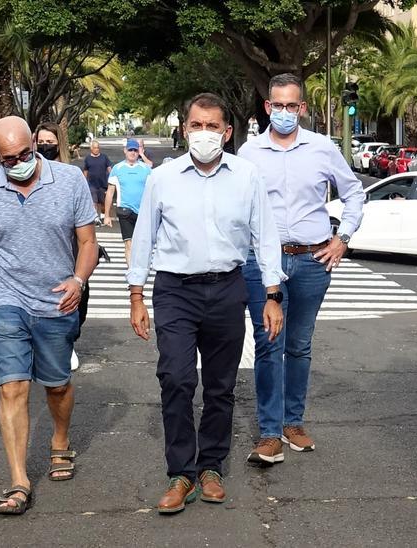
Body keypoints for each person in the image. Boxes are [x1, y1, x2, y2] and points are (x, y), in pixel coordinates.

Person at [128, 93, 285, 514]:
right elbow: (144, 236)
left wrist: (272, 296)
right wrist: (136, 295)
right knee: (176, 379)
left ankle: (211, 467)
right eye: (196, 125)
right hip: (175, 290)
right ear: (184, 129)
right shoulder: (163, 177)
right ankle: (181, 473)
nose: (203, 134)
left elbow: (265, 236)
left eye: (212, 126)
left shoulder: (247, 176)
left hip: (228, 289)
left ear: (227, 132)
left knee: (220, 385)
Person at [0, 116, 99, 516]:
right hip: (7, 301)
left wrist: (78, 281)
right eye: (10, 158)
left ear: (35, 145)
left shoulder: (69, 180)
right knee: (11, 388)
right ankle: (19, 479)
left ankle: (60, 440)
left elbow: (88, 241)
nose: (20, 162)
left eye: (26, 153)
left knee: (57, 386)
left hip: (56, 300)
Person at [236, 73, 364, 466]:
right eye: (278, 105)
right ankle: (270, 432)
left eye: (293, 105)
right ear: (267, 107)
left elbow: (354, 191)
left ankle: (293, 422)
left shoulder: (322, 148)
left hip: (312, 259)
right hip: (263, 263)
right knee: (268, 344)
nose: (285, 112)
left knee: (299, 345)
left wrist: (342, 238)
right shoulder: (249, 153)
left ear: (303, 108)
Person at [35, 122, 98, 372]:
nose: (45, 147)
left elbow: (86, 230)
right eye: (41, 142)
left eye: (50, 143)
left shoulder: (70, 176)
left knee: (77, 296)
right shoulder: (28, 175)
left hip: (72, 247)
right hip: (43, 247)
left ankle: (68, 340)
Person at [103, 138, 152, 268]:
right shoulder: (117, 169)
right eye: (130, 150)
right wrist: (107, 215)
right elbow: (110, 192)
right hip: (124, 211)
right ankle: (132, 273)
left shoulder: (146, 169)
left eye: (135, 150)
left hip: (142, 212)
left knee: (141, 243)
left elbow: (154, 191)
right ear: (125, 151)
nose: (133, 152)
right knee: (129, 243)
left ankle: (140, 268)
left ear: (139, 151)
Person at [82, 141, 112, 222]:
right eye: (95, 148)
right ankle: (96, 219)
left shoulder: (104, 157)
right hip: (92, 184)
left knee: (103, 202)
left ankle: (102, 216)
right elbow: (85, 170)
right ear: (91, 148)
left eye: (98, 147)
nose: (97, 149)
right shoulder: (88, 158)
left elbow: (109, 168)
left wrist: (112, 178)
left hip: (103, 184)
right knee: (93, 202)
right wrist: (84, 182)